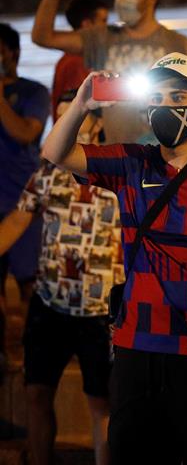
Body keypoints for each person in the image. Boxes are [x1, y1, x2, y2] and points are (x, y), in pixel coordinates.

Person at [40, 52, 187, 462]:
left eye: (177, 95)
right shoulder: (132, 163)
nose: (165, 106)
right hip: (138, 351)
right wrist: (81, 104)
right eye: (158, 96)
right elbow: (57, 153)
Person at [0, 90, 115, 465]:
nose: (66, 126)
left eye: (76, 117)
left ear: (97, 124)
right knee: (36, 393)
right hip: (50, 304)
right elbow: (17, 220)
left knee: (102, 403)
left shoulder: (119, 172)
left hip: (102, 311)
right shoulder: (46, 173)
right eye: (61, 117)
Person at [32, 0, 187, 143]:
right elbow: (43, 37)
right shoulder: (102, 38)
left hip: (168, 154)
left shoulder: (178, 44)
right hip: (118, 157)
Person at [0, 22, 51, 374]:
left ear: (13, 53)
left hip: (22, 204)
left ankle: (37, 360)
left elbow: (24, 133)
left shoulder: (34, 92)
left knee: (29, 285)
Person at [51, 0, 109, 119]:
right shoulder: (76, 62)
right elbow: (80, 109)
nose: (107, 28)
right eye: (104, 21)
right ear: (87, 25)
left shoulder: (69, 59)